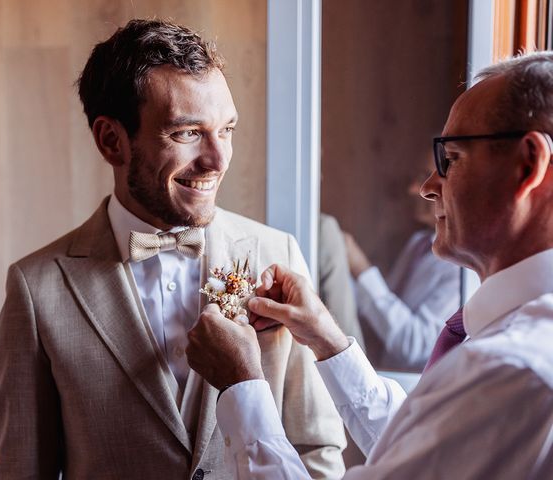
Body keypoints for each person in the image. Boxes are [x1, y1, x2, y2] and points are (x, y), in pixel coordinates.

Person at [0, 19, 346, 479]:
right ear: (111, 141)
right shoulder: (37, 289)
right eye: (187, 133)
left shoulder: (276, 253)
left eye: (227, 130)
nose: (218, 160)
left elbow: (315, 448)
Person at [186, 52, 553, 479]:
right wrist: (329, 343)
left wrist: (243, 388)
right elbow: (429, 452)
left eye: (450, 159)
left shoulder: (513, 372)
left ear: (528, 164)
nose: (429, 187)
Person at [343, 159, 460, 371]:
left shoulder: (460, 267)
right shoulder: (418, 244)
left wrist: (361, 268)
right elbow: (376, 307)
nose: (413, 189)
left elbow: (414, 347)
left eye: (425, 176)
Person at [318, 213, 365, 348]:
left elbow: (411, 346)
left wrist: (363, 269)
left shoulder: (324, 229)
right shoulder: (415, 243)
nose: (413, 190)